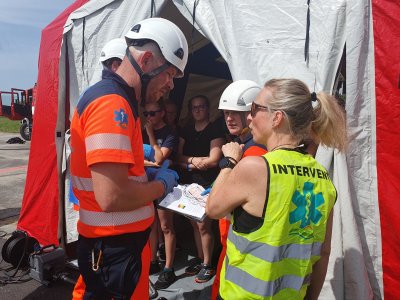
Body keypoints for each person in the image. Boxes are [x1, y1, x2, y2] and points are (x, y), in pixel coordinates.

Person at [70, 17, 188, 299]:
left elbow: (116, 180)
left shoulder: (118, 101)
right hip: (114, 249)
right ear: (146, 60)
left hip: (115, 247)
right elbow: (112, 196)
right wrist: (161, 186)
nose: (170, 85)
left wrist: (143, 176)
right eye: (169, 74)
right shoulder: (113, 104)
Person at [206, 78, 347, 300]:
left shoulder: (256, 167)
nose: (250, 117)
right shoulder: (323, 178)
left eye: (255, 108)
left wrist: (230, 163)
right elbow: (323, 253)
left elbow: (212, 209)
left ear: (277, 117)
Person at [211, 80, 267, 299]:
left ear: (250, 115)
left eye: (235, 113)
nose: (229, 119)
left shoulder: (254, 150)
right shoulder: (244, 144)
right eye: (226, 113)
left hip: (238, 239)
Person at [175, 95, 225, 283]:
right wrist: (195, 162)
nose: (198, 110)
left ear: (207, 108)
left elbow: (213, 161)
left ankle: (207, 264)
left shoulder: (215, 130)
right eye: (194, 107)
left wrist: (187, 162)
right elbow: (176, 156)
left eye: (201, 106)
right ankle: (201, 257)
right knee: (194, 224)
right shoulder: (186, 130)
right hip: (189, 184)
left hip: (206, 185)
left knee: (204, 226)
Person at [141, 100, 180, 289]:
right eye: (146, 113)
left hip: (165, 182)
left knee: (166, 225)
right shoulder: (141, 131)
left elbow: (157, 158)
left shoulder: (170, 132)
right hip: (148, 181)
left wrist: (150, 135)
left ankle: (168, 268)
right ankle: (153, 260)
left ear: (162, 113)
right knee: (151, 224)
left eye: (153, 113)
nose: (148, 117)